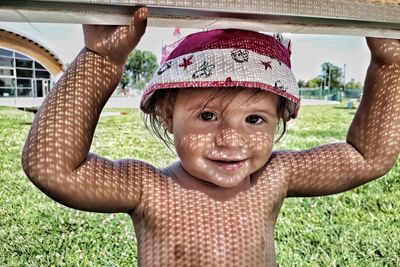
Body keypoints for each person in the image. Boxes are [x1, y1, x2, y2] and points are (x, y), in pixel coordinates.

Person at [22, 7, 400, 267]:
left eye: (254, 118)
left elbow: (367, 157)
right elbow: (52, 168)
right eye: (207, 115)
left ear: (280, 119)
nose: (230, 139)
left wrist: (390, 65)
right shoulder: (148, 188)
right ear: (168, 116)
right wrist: (100, 60)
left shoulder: (273, 177)